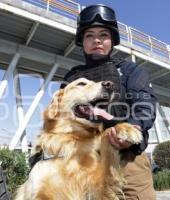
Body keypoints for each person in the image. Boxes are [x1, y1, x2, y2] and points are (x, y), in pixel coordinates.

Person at [60, 4, 157, 200]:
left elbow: (145, 106)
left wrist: (131, 130)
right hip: (84, 163)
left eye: (103, 35)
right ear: (82, 42)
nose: (97, 40)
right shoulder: (72, 78)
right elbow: (61, 117)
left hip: (129, 162)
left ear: (112, 41)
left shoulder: (130, 71)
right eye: (89, 35)